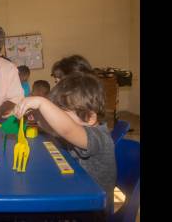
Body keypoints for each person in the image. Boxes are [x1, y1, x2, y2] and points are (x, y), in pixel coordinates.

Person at [13, 73, 116, 216]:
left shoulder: (100, 138)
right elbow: (55, 128)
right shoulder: (79, 130)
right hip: (75, 196)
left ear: (89, 117)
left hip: (92, 212)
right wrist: (37, 115)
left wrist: (42, 102)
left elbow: (66, 129)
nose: (57, 118)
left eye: (61, 113)